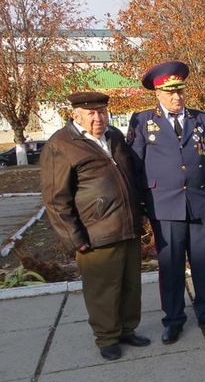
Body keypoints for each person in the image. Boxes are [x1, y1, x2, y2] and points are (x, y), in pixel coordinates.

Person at [128, 60, 205, 345]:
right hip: (164, 205)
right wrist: (138, 205)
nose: (177, 98)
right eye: (170, 93)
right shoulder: (142, 121)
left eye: (180, 92)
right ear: (158, 94)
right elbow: (134, 165)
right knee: (171, 265)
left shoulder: (200, 119)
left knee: (203, 263)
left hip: (199, 201)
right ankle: (173, 320)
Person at [41, 92, 149, 360]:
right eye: (91, 113)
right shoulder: (62, 145)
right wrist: (74, 238)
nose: (98, 118)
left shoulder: (113, 136)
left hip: (126, 225)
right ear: (76, 115)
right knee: (103, 288)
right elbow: (56, 200)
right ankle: (107, 337)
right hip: (95, 231)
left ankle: (126, 329)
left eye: (102, 112)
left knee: (129, 284)